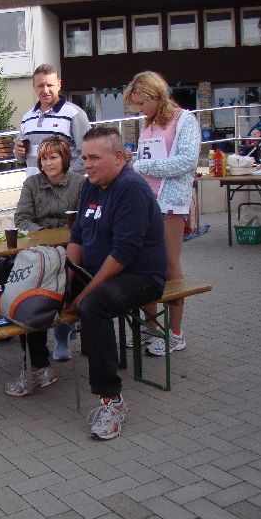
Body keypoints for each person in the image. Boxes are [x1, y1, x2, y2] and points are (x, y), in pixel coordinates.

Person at [65, 126, 166, 440]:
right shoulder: (91, 186)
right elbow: (77, 237)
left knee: (94, 305)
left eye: (95, 158)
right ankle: (38, 369)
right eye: (84, 158)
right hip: (100, 272)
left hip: (140, 276)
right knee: (41, 289)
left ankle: (111, 400)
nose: (87, 164)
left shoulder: (131, 189)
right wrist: (65, 281)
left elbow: (123, 254)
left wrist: (85, 292)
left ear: (119, 157)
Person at [126, 71, 200, 356]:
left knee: (169, 264)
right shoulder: (149, 123)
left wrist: (141, 167)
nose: (138, 109)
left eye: (141, 103)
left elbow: (186, 162)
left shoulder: (185, 120)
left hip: (171, 203)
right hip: (147, 202)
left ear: (154, 96)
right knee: (146, 266)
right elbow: (147, 157)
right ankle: (151, 327)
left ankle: (176, 333)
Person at [5, 136, 85, 395]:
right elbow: (22, 218)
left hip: (70, 253)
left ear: (65, 159)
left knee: (57, 292)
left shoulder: (79, 184)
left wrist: (64, 239)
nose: (48, 163)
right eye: (44, 158)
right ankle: (38, 364)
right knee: (27, 296)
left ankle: (59, 342)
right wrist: (43, 235)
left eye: (53, 157)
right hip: (40, 252)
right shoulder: (32, 183)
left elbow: (84, 222)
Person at [14, 64, 90, 177]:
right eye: (40, 86)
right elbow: (20, 158)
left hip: (63, 187)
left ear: (59, 84)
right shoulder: (27, 117)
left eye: (50, 85)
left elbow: (88, 154)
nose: (45, 90)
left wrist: (65, 180)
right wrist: (18, 152)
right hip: (34, 186)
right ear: (34, 87)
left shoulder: (74, 114)